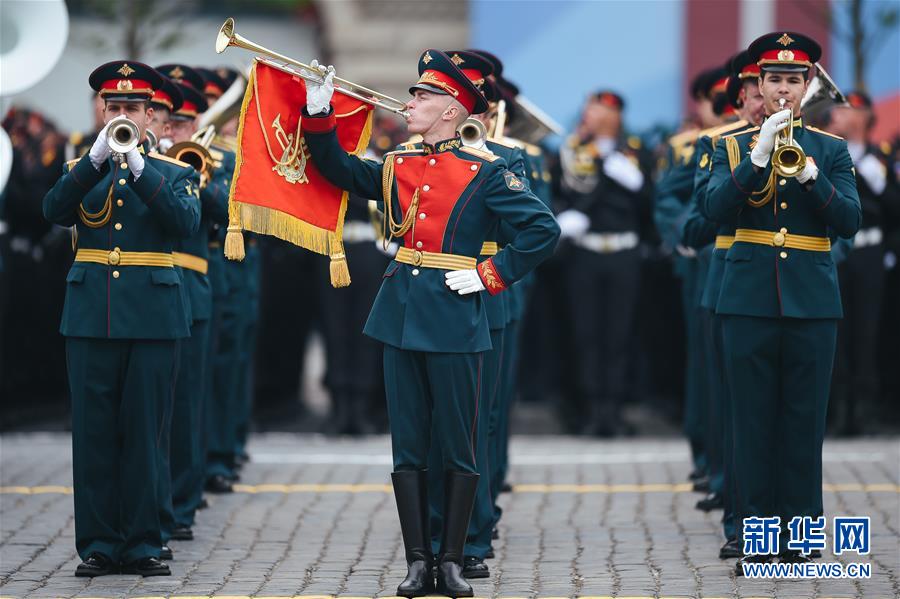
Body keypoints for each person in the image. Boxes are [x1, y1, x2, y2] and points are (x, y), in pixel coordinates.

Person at [300, 49, 559, 596]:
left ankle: (456, 557)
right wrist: (319, 113)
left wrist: (490, 274)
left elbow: (541, 231)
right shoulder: (399, 163)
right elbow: (342, 171)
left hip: (454, 313)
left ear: (451, 109)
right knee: (409, 444)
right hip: (399, 313)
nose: (411, 101)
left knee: (459, 441)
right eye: (415, 92)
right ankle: (419, 561)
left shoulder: (487, 170)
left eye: (422, 95)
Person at [704, 32, 861, 573]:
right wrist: (759, 155)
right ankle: (759, 538)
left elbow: (849, 224)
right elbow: (717, 210)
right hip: (746, 300)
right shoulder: (725, 146)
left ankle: (800, 534)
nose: (784, 90)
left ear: (807, 85)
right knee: (750, 423)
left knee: (802, 422)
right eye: (774, 80)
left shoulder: (832, 150)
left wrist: (814, 178)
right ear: (760, 85)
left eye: (794, 81)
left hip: (813, 302)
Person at [42, 60, 200, 577]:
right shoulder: (78, 170)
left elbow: (183, 224)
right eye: (114, 108)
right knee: (93, 433)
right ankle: (99, 543)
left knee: (145, 432)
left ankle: (143, 542)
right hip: (90, 316)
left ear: (152, 115)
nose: (122, 115)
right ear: (102, 112)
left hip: (154, 317)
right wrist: (94, 161)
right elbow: (54, 211)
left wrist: (137, 166)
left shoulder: (176, 171)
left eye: (132, 108)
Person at [683, 50, 765, 559]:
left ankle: (789, 529)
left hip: (794, 289)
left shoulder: (819, 148)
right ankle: (741, 521)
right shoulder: (720, 147)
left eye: (779, 87)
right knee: (738, 411)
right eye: (756, 92)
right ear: (740, 101)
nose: (766, 100)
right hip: (731, 285)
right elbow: (695, 223)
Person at [555, 90, 651, 437]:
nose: (594, 116)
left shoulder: (633, 150)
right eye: (592, 109)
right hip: (585, 251)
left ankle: (614, 409)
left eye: (602, 111)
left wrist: (630, 176)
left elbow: (647, 202)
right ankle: (590, 409)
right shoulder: (573, 150)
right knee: (585, 334)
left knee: (619, 334)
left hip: (623, 251)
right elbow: (562, 192)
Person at [826, 91, 897, 435]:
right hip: (839, 250)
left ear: (867, 116)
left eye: (852, 109)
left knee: (867, 332)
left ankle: (864, 413)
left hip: (869, 251)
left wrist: (873, 172)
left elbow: (893, 206)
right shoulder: (829, 152)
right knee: (838, 332)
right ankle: (839, 412)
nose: (844, 115)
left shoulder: (878, 158)